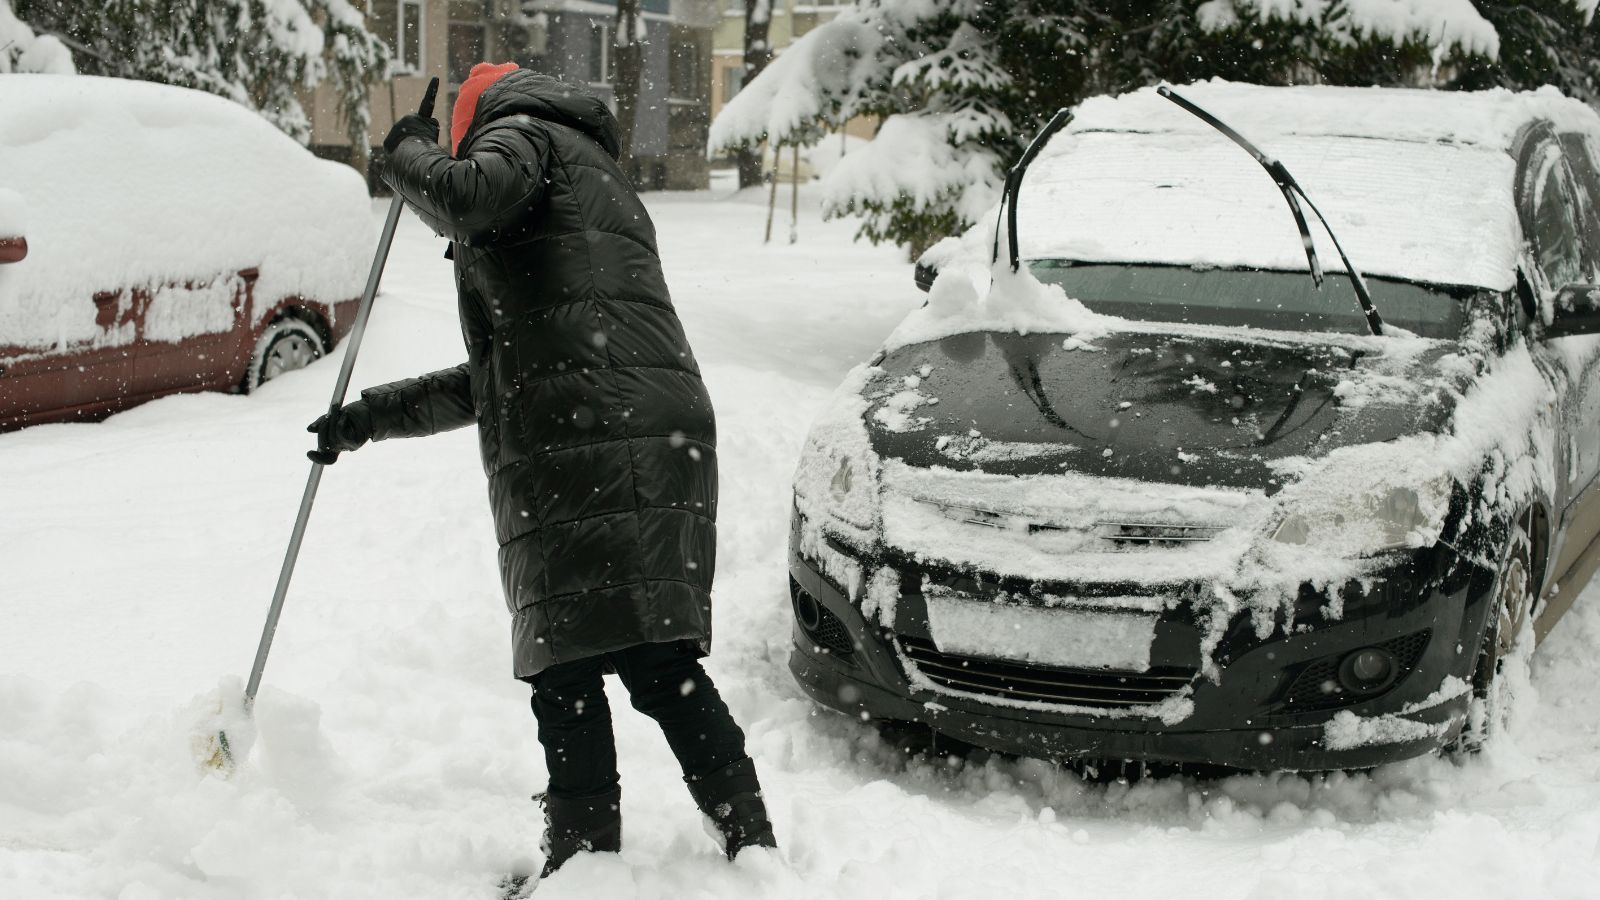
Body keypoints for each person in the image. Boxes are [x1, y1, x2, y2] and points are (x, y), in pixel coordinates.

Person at [308, 62, 777, 877]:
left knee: (571, 665)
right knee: (651, 657)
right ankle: (748, 844)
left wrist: (406, 155)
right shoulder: (581, 168)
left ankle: (587, 863)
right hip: (628, 422)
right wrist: (368, 418)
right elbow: (501, 379)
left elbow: (467, 193)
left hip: (592, 430)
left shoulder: (524, 134)